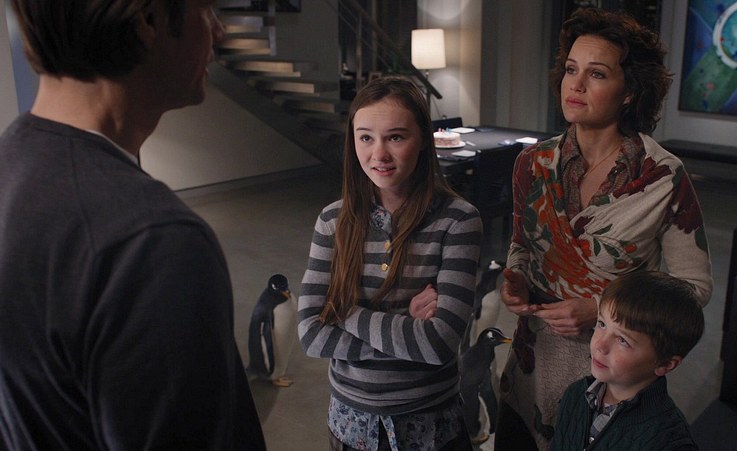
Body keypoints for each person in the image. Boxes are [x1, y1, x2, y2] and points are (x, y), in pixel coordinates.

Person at [0, 1, 266, 449]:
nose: (219, 32)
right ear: (149, 20)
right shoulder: (152, 242)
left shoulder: (10, 164)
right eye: (207, 11)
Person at [494, 7, 713, 450]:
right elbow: (522, 245)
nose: (575, 85)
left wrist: (598, 308)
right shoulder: (532, 163)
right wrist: (514, 278)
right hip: (529, 369)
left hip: (610, 380)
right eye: (570, 69)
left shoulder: (662, 177)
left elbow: (693, 289)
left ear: (629, 91)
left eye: (596, 74)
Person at [297, 76, 482, 450]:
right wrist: (406, 330)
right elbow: (312, 336)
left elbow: (439, 344)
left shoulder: (458, 221)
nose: (378, 154)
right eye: (366, 138)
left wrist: (343, 311)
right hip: (350, 427)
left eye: (395, 137)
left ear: (423, 140)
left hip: (431, 429)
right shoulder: (333, 221)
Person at [549, 271, 704, 450]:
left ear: (665, 364)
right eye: (602, 324)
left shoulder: (669, 442)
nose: (599, 345)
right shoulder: (575, 395)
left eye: (622, 340)